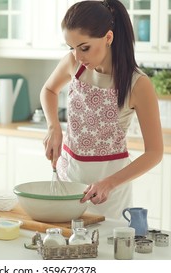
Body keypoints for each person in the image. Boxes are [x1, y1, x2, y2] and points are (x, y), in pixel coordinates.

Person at [40, 0, 163, 220]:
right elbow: (49, 89)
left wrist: (109, 184)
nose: (78, 56)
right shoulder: (73, 65)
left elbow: (154, 153)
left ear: (108, 38)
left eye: (84, 47)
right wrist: (53, 127)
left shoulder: (138, 84)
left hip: (109, 194)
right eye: (72, 48)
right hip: (68, 179)